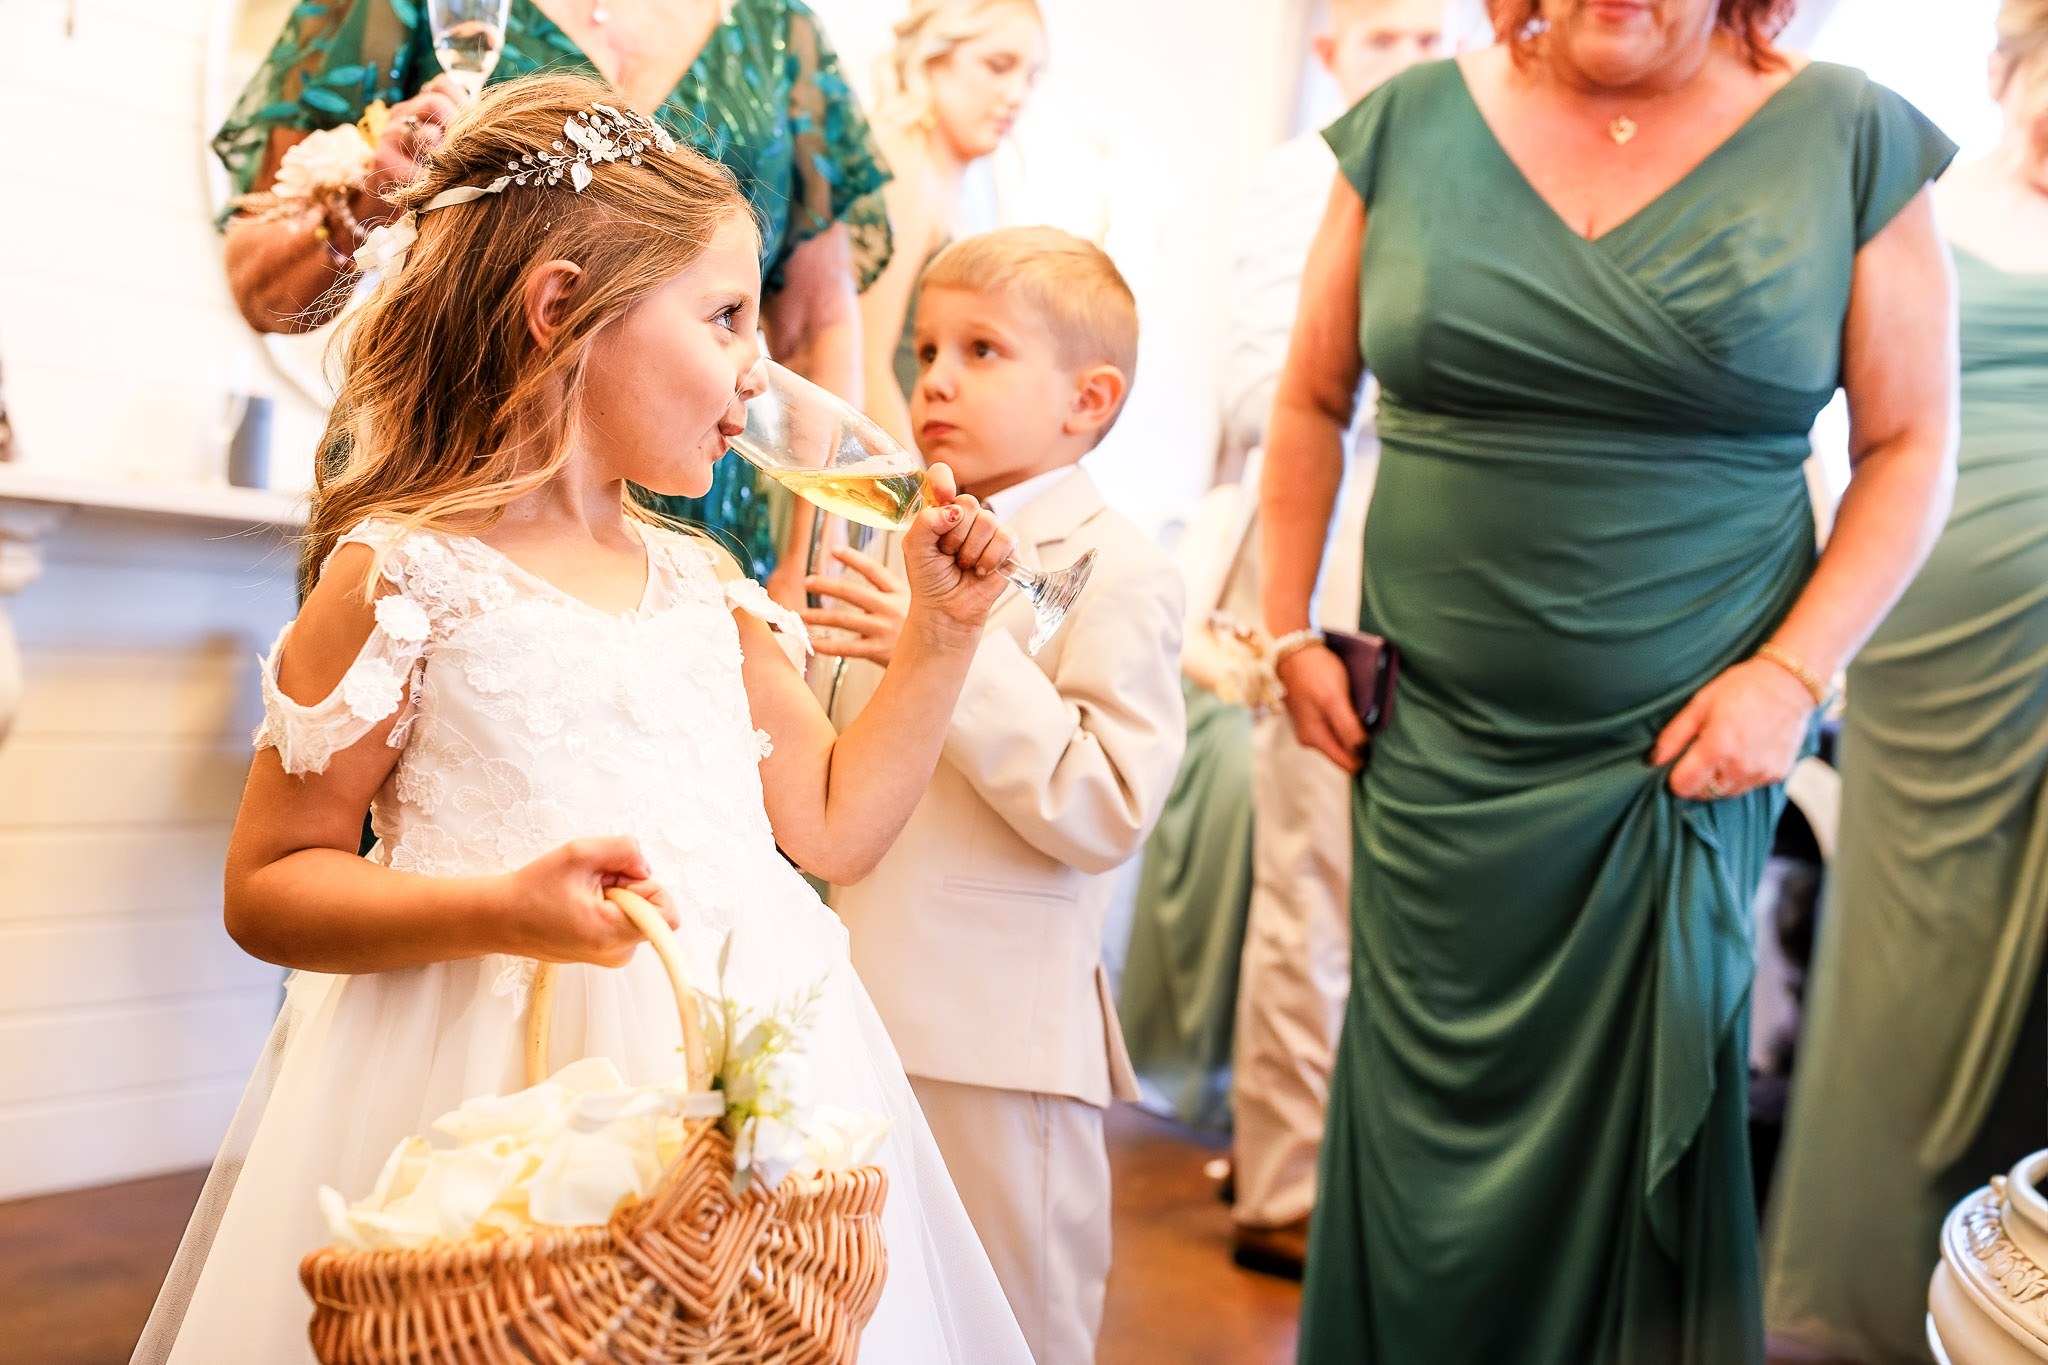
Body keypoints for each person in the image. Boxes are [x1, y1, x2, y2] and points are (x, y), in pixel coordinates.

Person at [132, 75, 1033, 1365]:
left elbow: (838, 828)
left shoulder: (708, 586)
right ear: (561, 311)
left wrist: (942, 636)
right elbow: (268, 884)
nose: (758, 365)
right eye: (724, 317)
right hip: (482, 1116)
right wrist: (502, 910)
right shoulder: (402, 578)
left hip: (741, 1100)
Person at [1259, 0, 1959, 1359]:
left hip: (1682, 750)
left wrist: (1791, 677)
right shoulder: (1407, 125)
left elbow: (1913, 441)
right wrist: (1282, 627)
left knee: (1644, 1113)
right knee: (1421, 1135)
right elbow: (1306, 398)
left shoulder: (1849, 134)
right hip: (1436, 753)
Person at [809, 228, 1187, 1365]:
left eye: (980, 350)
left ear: (1088, 399)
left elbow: (1107, 803)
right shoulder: (888, 536)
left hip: (998, 1041)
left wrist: (949, 648)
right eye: (926, 348)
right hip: (854, 1014)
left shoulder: (1117, 566)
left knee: (1010, 1331)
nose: (934, 378)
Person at [212, 0, 892, 588]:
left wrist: (812, 563)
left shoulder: (780, 32)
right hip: (454, 480)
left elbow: (818, 329)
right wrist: (366, 199)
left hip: (702, 509)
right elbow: (258, 286)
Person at [1763, 4, 2048, 1359]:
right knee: (1902, 962)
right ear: (2007, 71)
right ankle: (1863, 1296)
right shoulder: (1920, 201)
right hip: (1933, 639)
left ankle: (2017, 1295)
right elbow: (1825, 410)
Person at [1222, 0, 1445, 1281]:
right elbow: (1266, 389)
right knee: (1310, 879)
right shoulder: (1299, 179)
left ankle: (1377, 1172)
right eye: (1385, 39)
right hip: (1338, 556)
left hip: (1449, 571)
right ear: (1330, 53)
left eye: (1430, 40)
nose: (1412, 62)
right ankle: (1284, 1183)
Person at [857, 0, 1045, 448]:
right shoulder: (904, 169)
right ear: (934, 57)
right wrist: (913, 484)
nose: (1017, 95)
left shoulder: (974, 187)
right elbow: (866, 362)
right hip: (884, 454)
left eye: (1031, 77)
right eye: (998, 66)